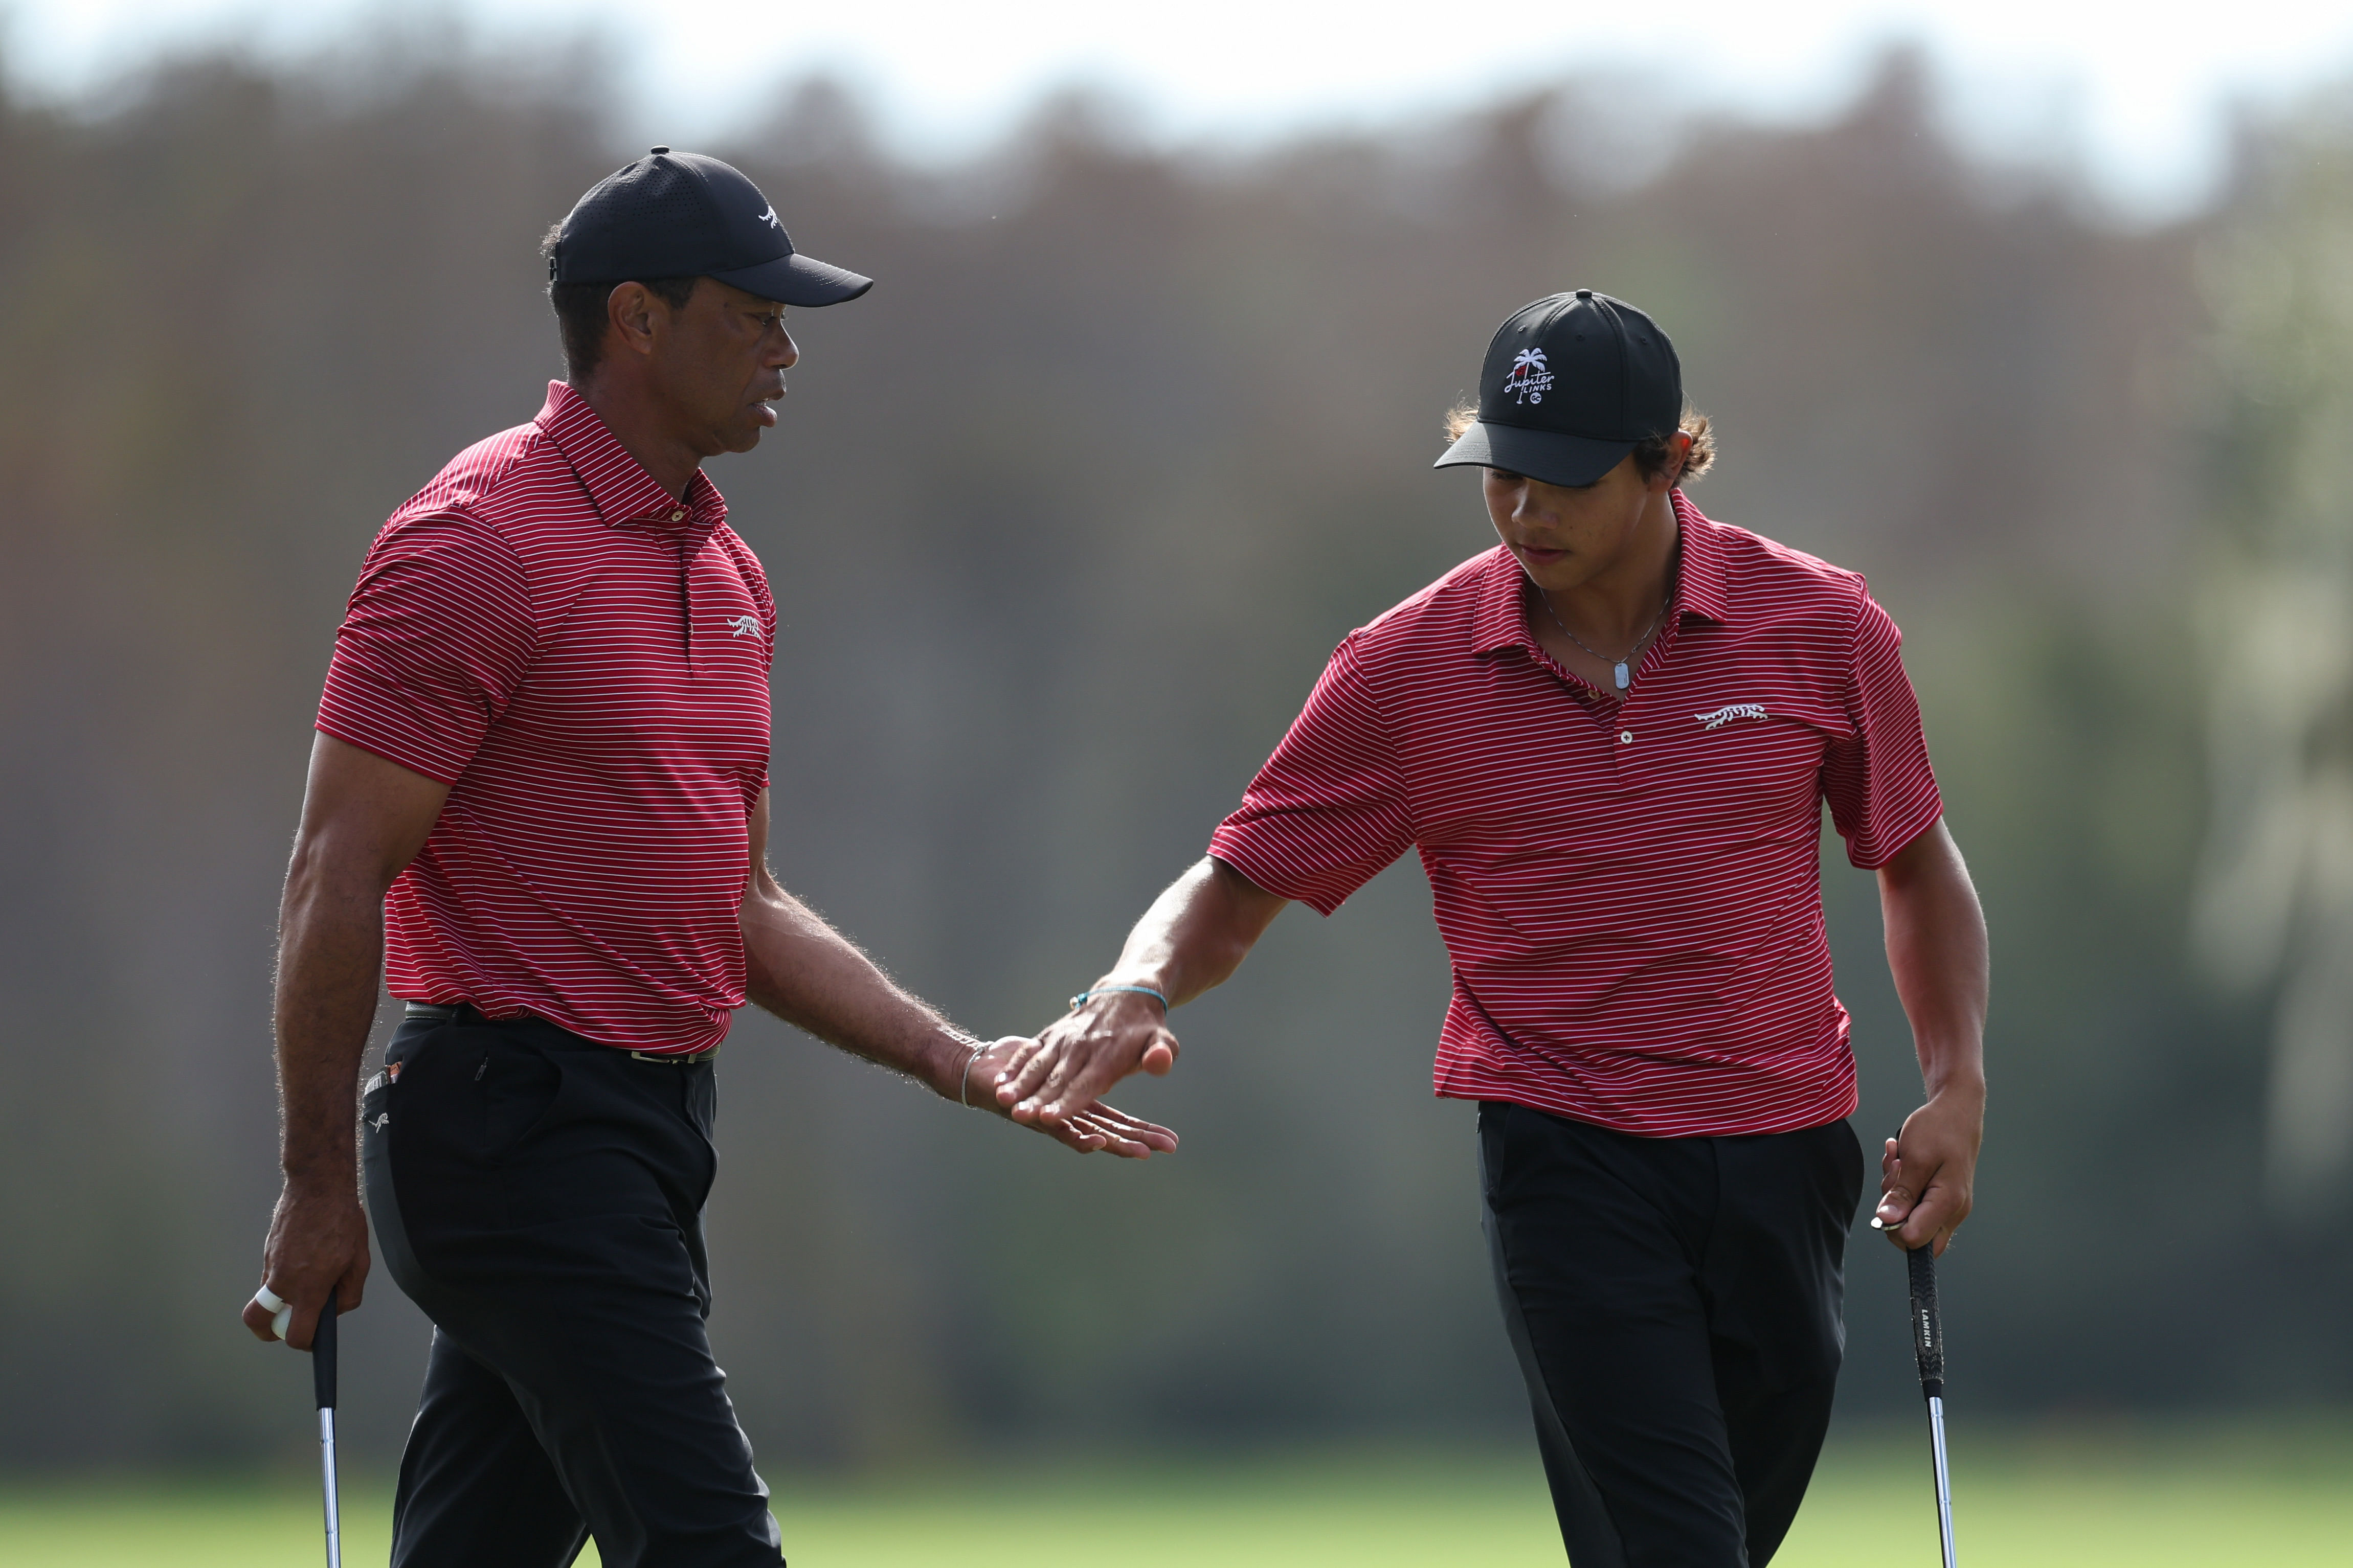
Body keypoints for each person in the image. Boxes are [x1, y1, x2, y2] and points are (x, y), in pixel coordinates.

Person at [239, 148, 1174, 1567]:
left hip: (647, 1136)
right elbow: (334, 868)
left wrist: (960, 1059)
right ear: (637, 320)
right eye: (753, 316)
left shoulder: (725, 568)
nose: (787, 351)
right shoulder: (476, 542)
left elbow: (739, 900)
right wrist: (314, 1180)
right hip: (508, 1126)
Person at [991, 291, 1987, 1566]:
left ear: (1669, 463)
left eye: (1566, 481)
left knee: (1716, 1531)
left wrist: (1957, 1085)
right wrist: (1135, 983)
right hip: (1569, 1162)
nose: (1526, 511)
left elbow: (1913, 858)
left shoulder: (1820, 626)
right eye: (1502, 474)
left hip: (1785, 1158)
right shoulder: (1409, 665)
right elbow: (1238, 879)